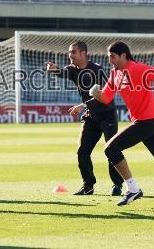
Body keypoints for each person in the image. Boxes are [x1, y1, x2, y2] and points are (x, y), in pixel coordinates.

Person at [89, 41, 154, 206]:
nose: (110, 60)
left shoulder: (138, 68)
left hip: (147, 121)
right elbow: (106, 98)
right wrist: (96, 93)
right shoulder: (115, 73)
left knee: (111, 148)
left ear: (123, 55)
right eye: (108, 57)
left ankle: (133, 189)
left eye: (112, 56)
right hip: (146, 123)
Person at [46, 41, 124, 196]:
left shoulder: (97, 69)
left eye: (73, 52)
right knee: (82, 152)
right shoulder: (72, 69)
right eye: (69, 52)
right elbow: (62, 72)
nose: (70, 55)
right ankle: (88, 186)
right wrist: (54, 70)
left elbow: (105, 95)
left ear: (83, 53)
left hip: (107, 114)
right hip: (91, 116)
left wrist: (83, 105)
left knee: (111, 150)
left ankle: (118, 185)